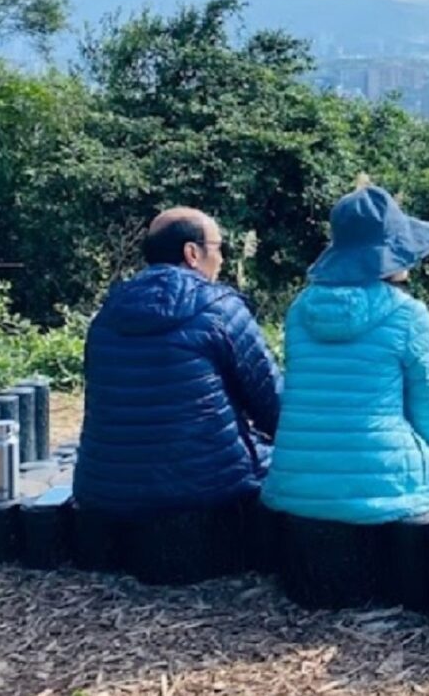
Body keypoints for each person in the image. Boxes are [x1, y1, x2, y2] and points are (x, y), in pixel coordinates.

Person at [261, 183, 429, 524]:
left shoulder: (299, 310)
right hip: (384, 485)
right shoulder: (407, 314)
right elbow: (424, 408)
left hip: (294, 483)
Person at [74, 207, 281, 519]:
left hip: (105, 491)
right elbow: (275, 411)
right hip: (209, 490)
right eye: (218, 247)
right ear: (192, 253)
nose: (222, 259)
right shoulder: (221, 310)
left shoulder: (106, 316)